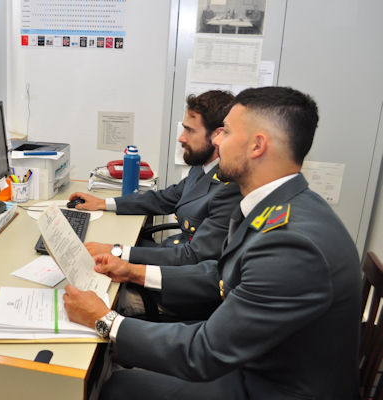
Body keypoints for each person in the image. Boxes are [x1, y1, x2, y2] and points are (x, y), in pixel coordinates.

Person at [63, 86, 361, 399]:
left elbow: (204, 353)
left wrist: (105, 321)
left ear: (257, 146)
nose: (217, 141)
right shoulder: (282, 205)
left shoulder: (291, 245)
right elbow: (219, 275)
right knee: (121, 364)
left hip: (272, 387)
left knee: (119, 387)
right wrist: (132, 271)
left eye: (227, 132)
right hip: (255, 359)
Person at [70, 90, 240, 270]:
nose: (181, 138)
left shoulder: (230, 188)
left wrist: (117, 251)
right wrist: (103, 203)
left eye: (190, 130)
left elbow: (192, 257)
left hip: (181, 270)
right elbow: (166, 198)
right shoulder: (202, 167)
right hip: (173, 252)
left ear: (217, 135)